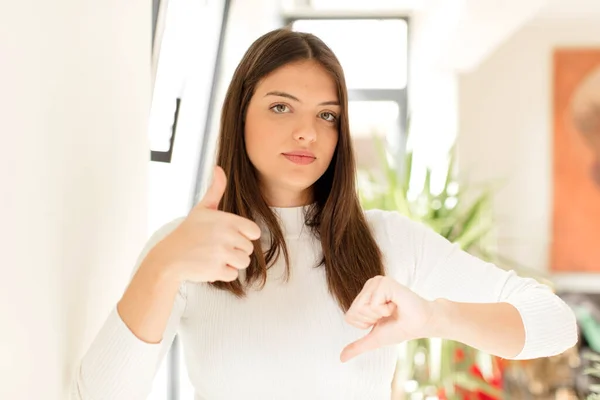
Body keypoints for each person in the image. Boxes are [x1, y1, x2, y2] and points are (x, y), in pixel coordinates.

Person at [71, 28, 578, 400]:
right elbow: (95, 395)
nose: (307, 133)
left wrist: (434, 317)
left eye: (327, 115)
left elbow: (554, 323)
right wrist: (164, 265)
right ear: (238, 114)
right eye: (280, 107)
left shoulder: (388, 242)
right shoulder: (187, 249)